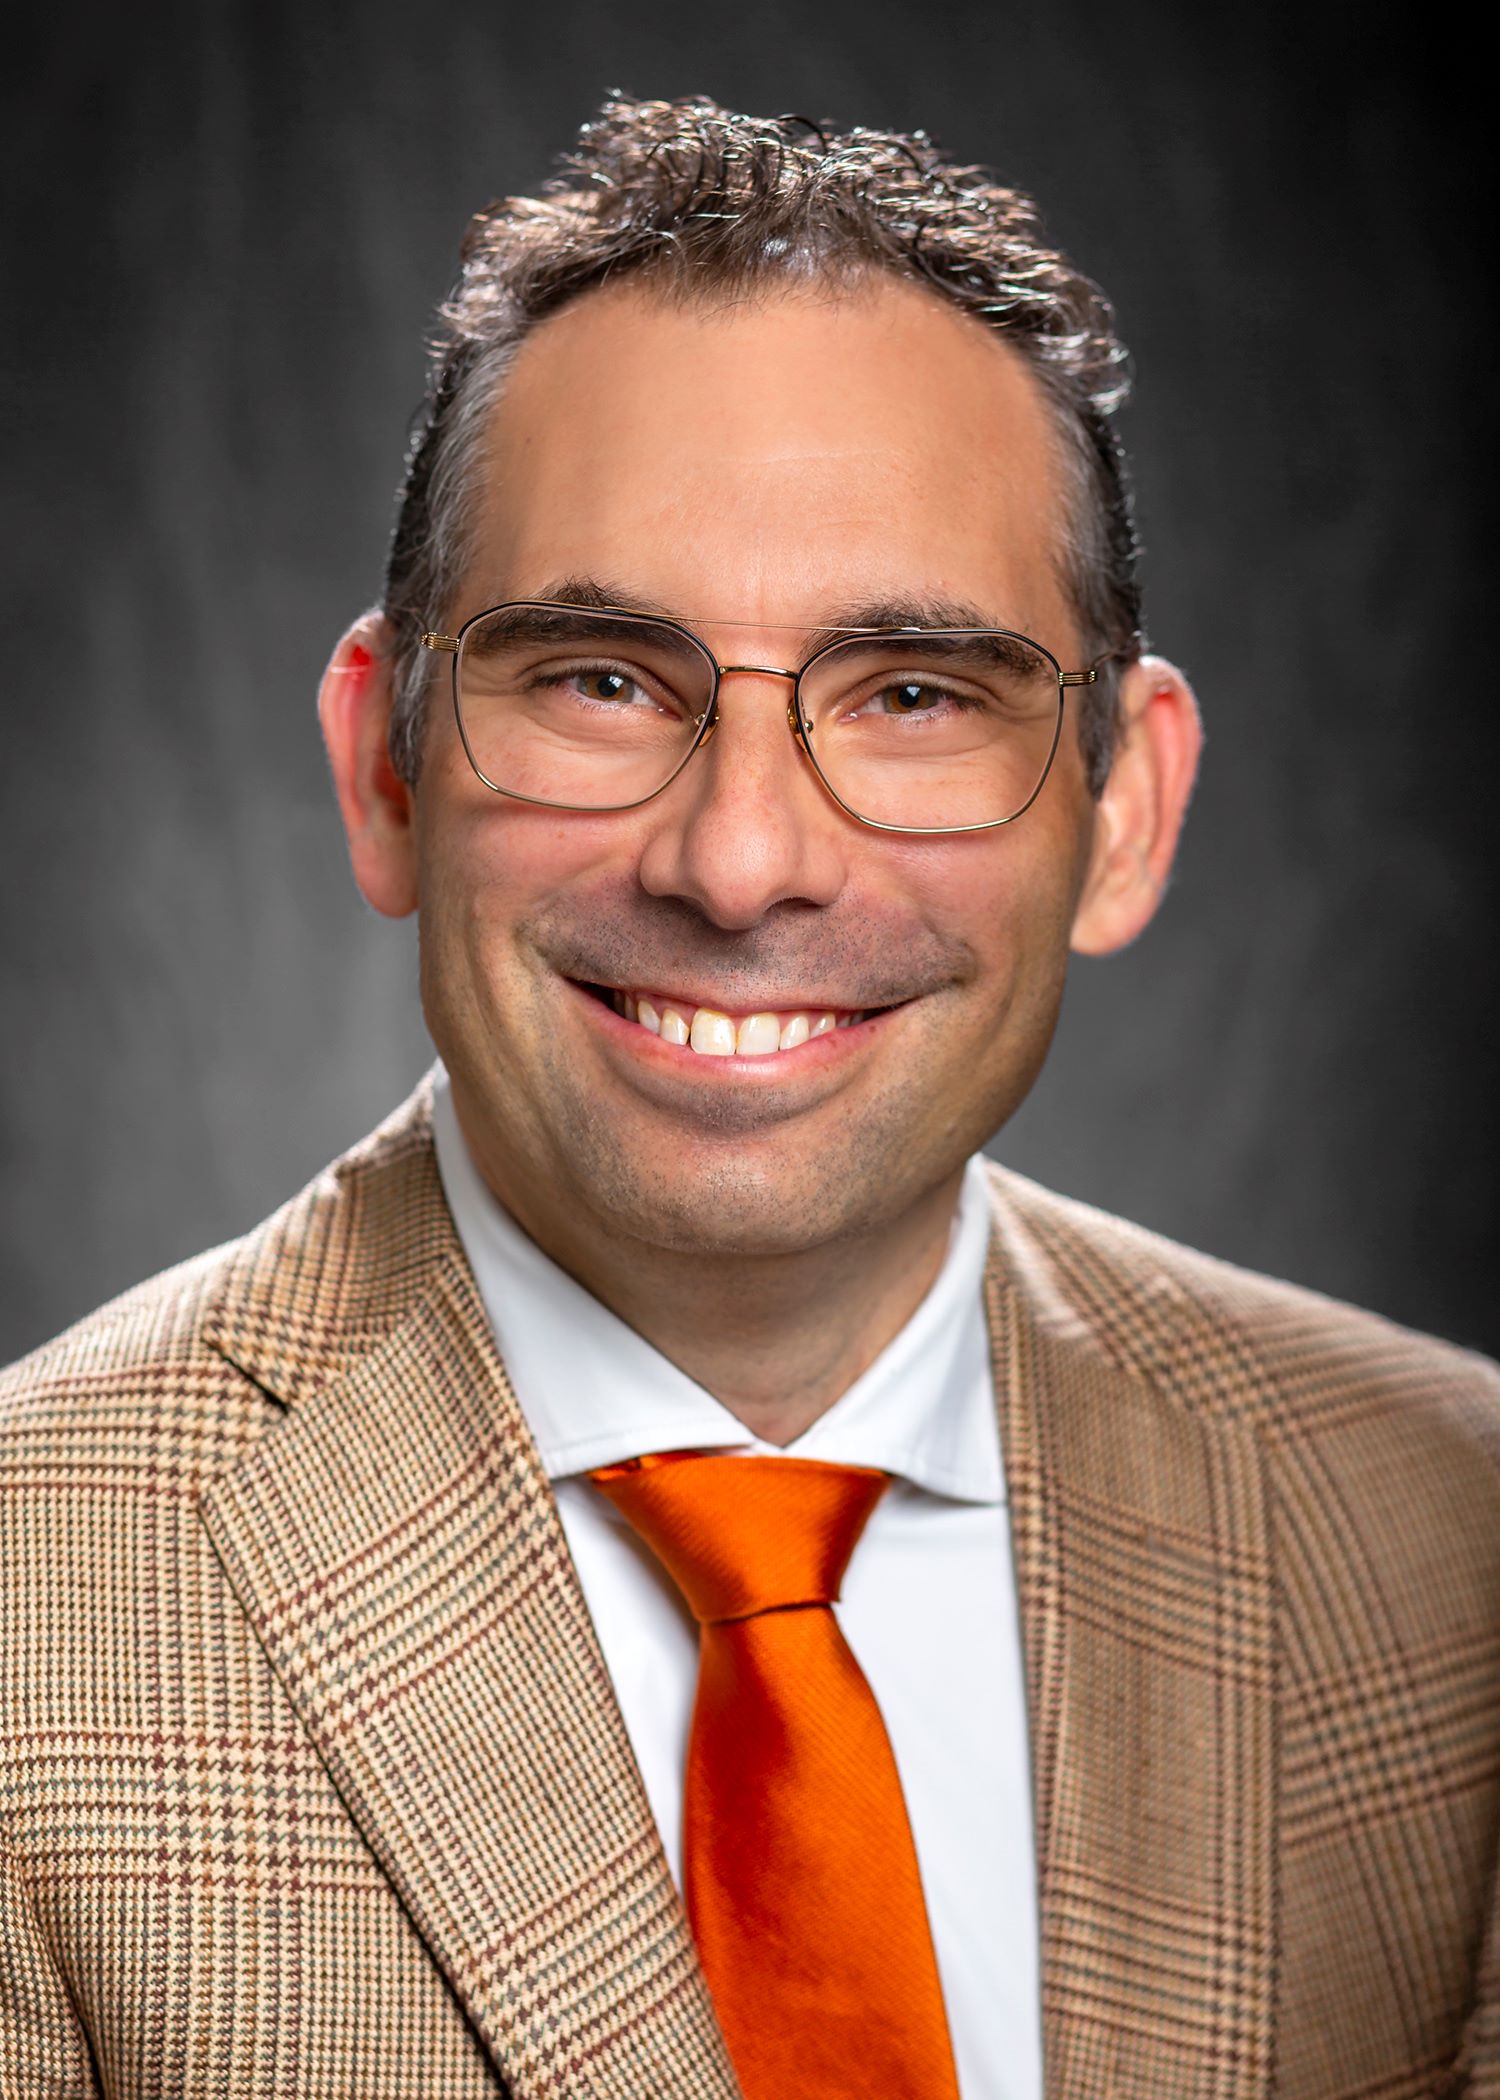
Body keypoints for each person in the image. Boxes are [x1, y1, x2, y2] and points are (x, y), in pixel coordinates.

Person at [2, 93, 1496, 2100]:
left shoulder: (1454, 1540)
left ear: (1126, 813)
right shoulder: (30, 1616)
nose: (740, 863)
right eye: (601, 679)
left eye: (916, 694)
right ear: (385, 770)